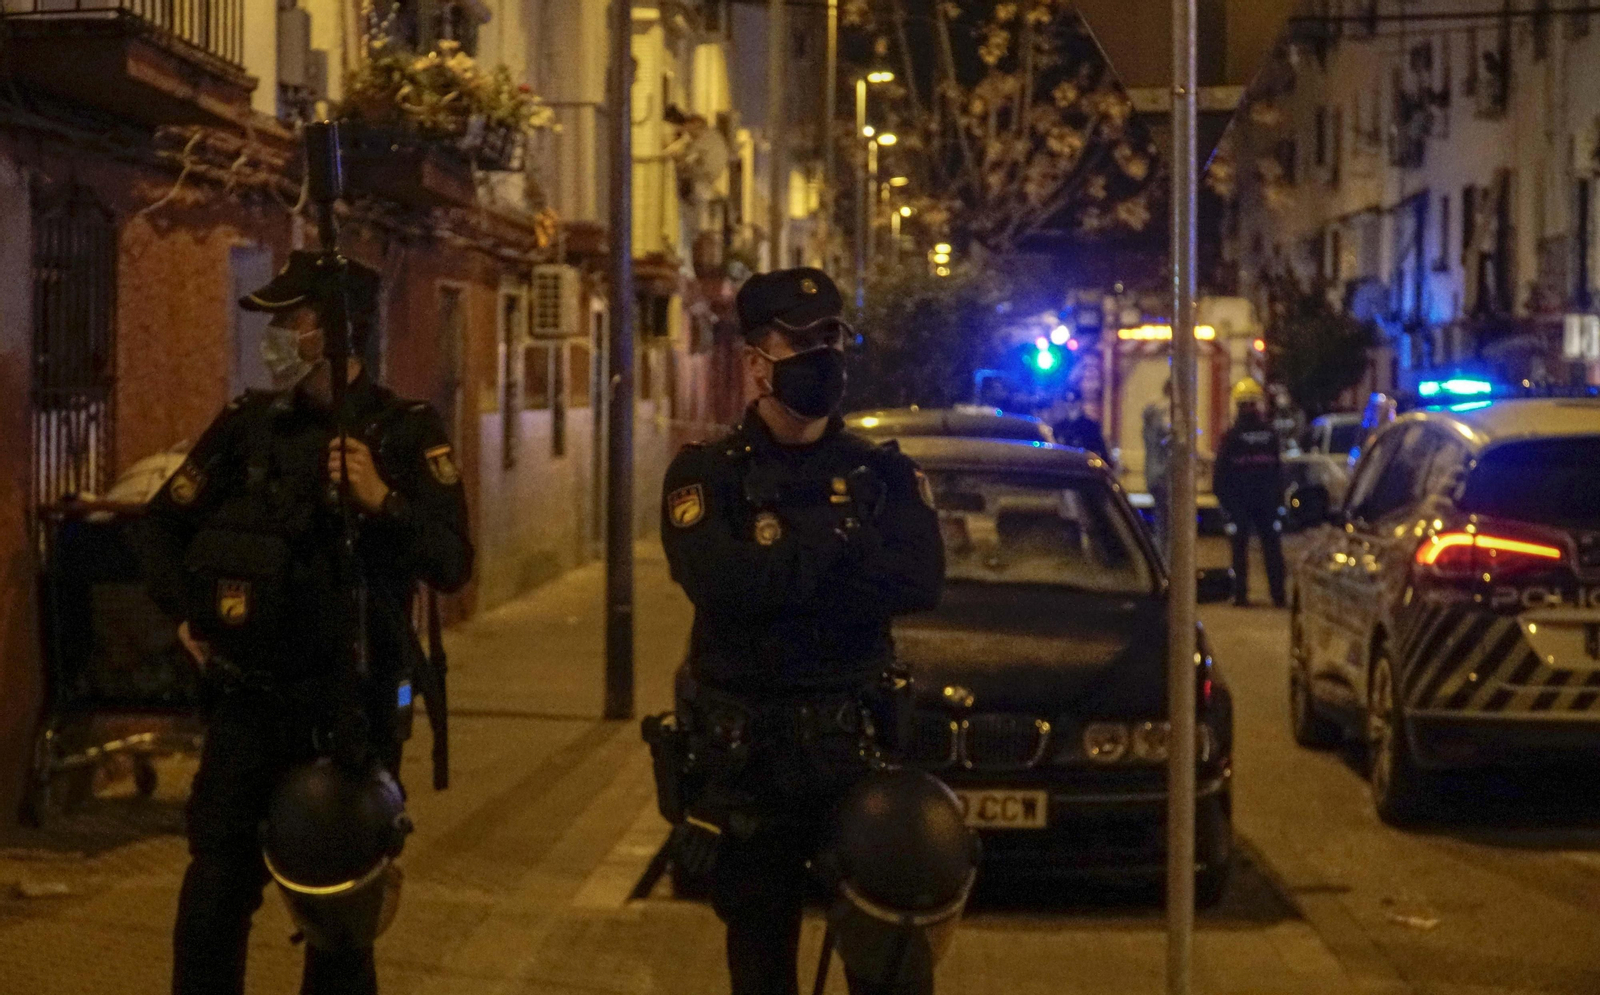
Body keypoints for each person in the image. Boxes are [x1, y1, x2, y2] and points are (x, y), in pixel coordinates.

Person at [133, 251, 474, 995]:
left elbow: (452, 561)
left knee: (339, 905)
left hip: (350, 711)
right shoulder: (247, 426)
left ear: (339, 335)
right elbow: (159, 526)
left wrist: (381, 497)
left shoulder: (404, 433)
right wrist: (190, 618)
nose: (278, 334)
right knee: (215, 887)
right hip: (249, 701)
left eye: (293, 320)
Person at [660, 266, 945, 995]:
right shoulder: (708, 475)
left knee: (890, 965)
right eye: (805, 341)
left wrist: (781, 563)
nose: (827, 355)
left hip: (856, 751)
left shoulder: (881, 472)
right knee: (760, 967)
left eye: (834, 338)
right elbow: (723, 587)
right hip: (750, 771)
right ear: (757, 363)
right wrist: (841, 545)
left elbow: (917, 580)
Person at [1214, 378, 1286, 608]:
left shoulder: (1232, 437)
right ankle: (1278, 595)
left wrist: (1226, 503)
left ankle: (1241, 595)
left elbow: (1221, 473)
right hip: (1266, 503)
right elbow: (1278, 471)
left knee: (1239, 550)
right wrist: (1278, 500)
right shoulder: (1270, 435)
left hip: (1240, 503)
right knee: (1272, 549)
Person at [1141, 379, 1172, 554]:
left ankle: (1160, 554)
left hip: (1152, 473)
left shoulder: (1151, 411)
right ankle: (1163, 560)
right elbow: (1170, 434)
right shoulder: (1166, 410)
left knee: (1161, 519)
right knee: (1167, 524)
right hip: (1165, 475)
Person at [1048, 389, 1109, 460]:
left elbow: (1102, 453)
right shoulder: (1058, 427)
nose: (1071, 405)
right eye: (1067, 401)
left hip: (1084, 468)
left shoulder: (1091, 427)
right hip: (1064, 468)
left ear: (1080, 402)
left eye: (1074, 401)